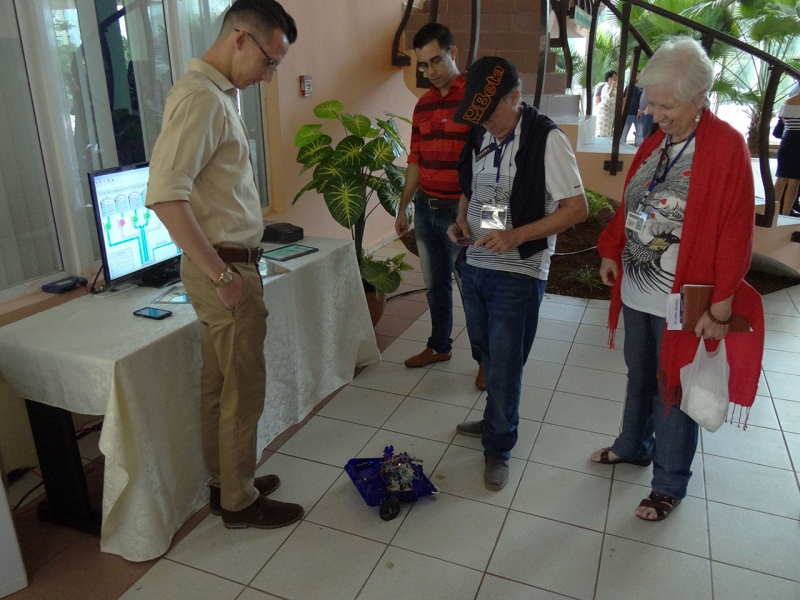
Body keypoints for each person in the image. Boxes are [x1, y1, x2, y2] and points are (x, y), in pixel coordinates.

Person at [590, 37, 765, 521]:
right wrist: (611, 251)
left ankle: (668, 483)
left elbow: (735, 231)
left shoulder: (725, 147)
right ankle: (633, 444)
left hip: (686, 299)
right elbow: (631, 205)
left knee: (674, 386)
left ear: (699, 97)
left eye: (666, 103)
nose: (653, 110)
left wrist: (722, 305)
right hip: (640, 290)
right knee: (640, 375)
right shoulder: (658, 139)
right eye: (651, 100)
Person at [146, 0, 304, 530]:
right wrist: (221, 275)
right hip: (224, 270)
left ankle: (226, 483)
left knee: (221, 385)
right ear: (241, 39)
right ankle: (237, 501)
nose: (270, 74)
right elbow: (167, 198)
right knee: (243, 388)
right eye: (270, 61)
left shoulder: (219, 96)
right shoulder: (200, 101)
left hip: (230, 265)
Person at [448, 57, 588, 490]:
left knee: (506, 363)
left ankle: (499, 446)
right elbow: (469, 189)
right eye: (480, 116)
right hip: (475, 264)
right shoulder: (479, 131)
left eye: (493, 113)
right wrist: (461, 222)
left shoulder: (548, 140)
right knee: (486, 353)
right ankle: (495, 417)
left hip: (520, 271)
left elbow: (576, 210)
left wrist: (515, 237)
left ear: (516, 96)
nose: (487, 124)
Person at [395, 23, 483, 388]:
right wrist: (403, 208)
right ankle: (439, 345)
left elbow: (484, 159)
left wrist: (469, 212)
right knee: (435, 287)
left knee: (473, 287)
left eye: (436, 61)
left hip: (464, 214)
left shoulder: (476, 99)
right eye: (423, 65)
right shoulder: (423, 105)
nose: (429, 71)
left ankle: (486, 359)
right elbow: (415, 159)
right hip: (427, 208)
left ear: (454, 53)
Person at [774, 90, 800, 216]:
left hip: (787, 140)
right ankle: (785, 214)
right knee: (794, 181)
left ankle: (771, 211)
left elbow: (783, 123)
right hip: (798, 143)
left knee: (781, 178)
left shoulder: (787, 102)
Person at [622, 70, 642, 146]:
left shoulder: (644, 88)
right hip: (629, 113)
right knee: (624, 133)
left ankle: (639, 151)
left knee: (640, 134)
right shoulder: (629, 87)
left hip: (639, 114)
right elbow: (624, 99)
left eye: (637, 75)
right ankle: (621, 150)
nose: (636, 77)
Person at [595, 70, 617, 137]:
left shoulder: (614, 87)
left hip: (610, 112)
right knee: (603, 130)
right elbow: (608, 96)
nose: (615, 78)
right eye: (614, 77)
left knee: (608, 129)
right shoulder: (606, 86)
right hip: (605, 111)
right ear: (609, 78)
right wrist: (612, 88)